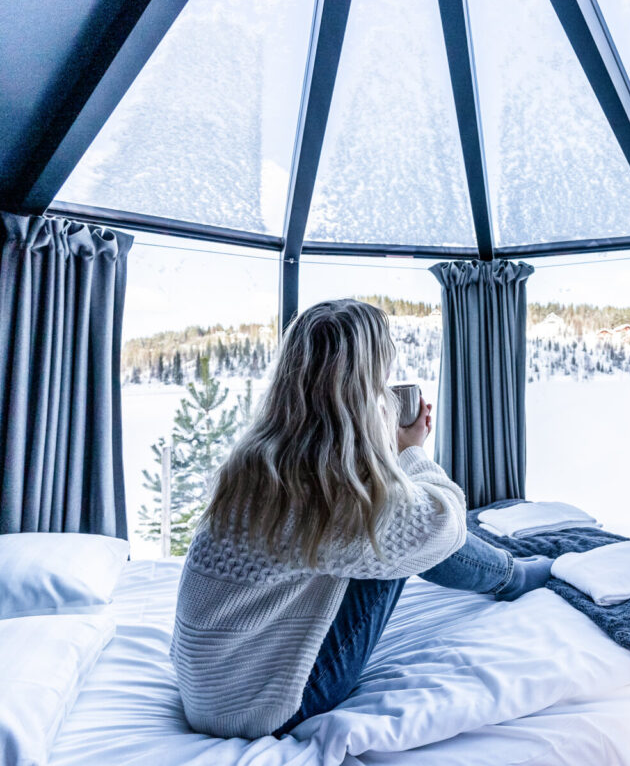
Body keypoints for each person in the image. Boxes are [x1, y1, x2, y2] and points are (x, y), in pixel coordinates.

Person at [169, 299, 552, 739]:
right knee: (403, 531)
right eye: (380, 377)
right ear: (362, 384)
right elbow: (443, 526)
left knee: (389, 520)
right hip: (260, 708)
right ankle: (513, 577)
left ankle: (508, 572)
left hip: (210, 690)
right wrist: (411, 451)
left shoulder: (261, 458)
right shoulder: (324, 490)